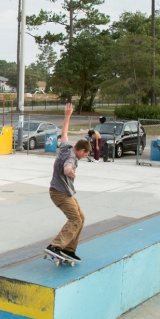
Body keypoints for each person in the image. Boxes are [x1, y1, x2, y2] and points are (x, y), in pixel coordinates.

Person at [46, 103, 92, 262]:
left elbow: (64, 132)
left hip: (64, 192)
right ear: (81, 151)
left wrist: (67, 116)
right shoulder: (71, 157)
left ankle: (69, 249)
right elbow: (67, 166)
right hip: (60, 193)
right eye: (85, 154)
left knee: (81, 217)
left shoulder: (66, 147)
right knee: (75, 219)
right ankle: (56, 245)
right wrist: (69, 171)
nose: (84, 157)